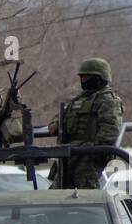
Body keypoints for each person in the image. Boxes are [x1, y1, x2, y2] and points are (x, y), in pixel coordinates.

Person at [48, 57, 124, 189]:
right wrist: (55, 125)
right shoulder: (79, 100)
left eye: (86, 76)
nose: (83, 80)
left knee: (86, 195)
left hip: (88, 158)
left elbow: (110, 130)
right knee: (57, 194)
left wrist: (92, 151)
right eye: (81, 77)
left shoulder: (108, 100)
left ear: (99, 78)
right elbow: (59, 117)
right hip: (70, 154)